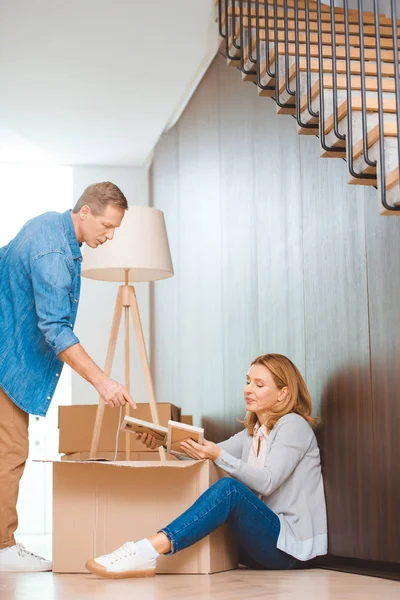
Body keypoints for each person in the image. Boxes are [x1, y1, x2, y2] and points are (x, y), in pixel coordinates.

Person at [85, 353, 327, 579]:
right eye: (248, 381)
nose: (248, 390)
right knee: (223, 486)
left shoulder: (293, 425)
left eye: (258, 385)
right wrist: (165, 443)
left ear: (283, 393)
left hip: (291, 550)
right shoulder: (250, 435)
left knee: (229, 490)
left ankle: (145, 551)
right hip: (260, 546)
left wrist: (218, 454)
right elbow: (202, 454)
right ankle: (145, 551)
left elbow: (268, 480)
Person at [0, 182, 136, 573]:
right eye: (107, 227)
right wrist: (103, 382)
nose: (109, 237)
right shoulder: (55, 254)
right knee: (9, 453)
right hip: (7, 359)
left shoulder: (45, 224)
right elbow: (55, 329)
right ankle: (3, 547)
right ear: (85, 212)